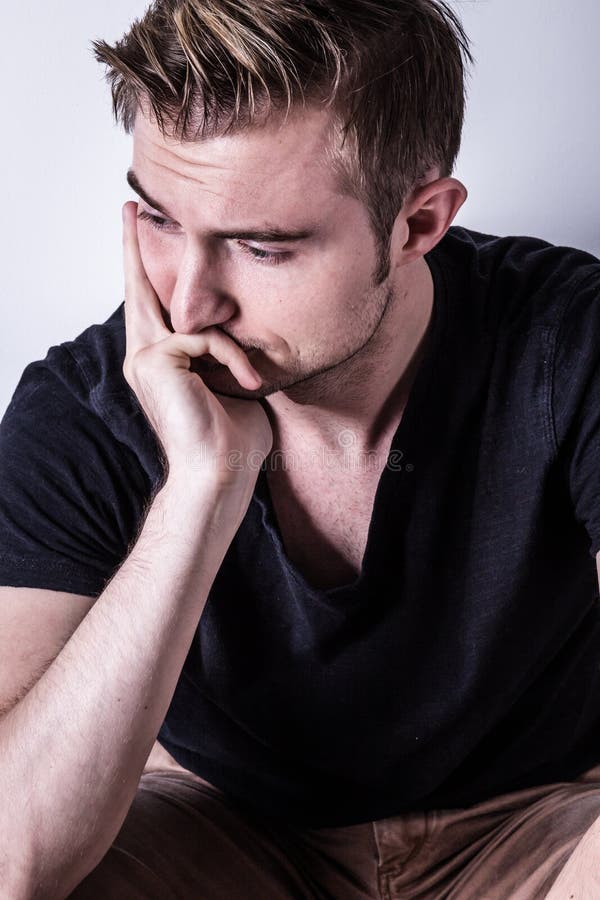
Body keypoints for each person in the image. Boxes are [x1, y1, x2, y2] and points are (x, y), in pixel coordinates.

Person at [1, 0, 600, 896]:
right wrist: (202, 489)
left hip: (534, 824)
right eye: (160, 220)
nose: (191, 303)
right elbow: (14, 856)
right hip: (224, 826)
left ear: (418, 224)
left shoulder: (571, 340)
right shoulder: (85, 404)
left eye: (260, 247)